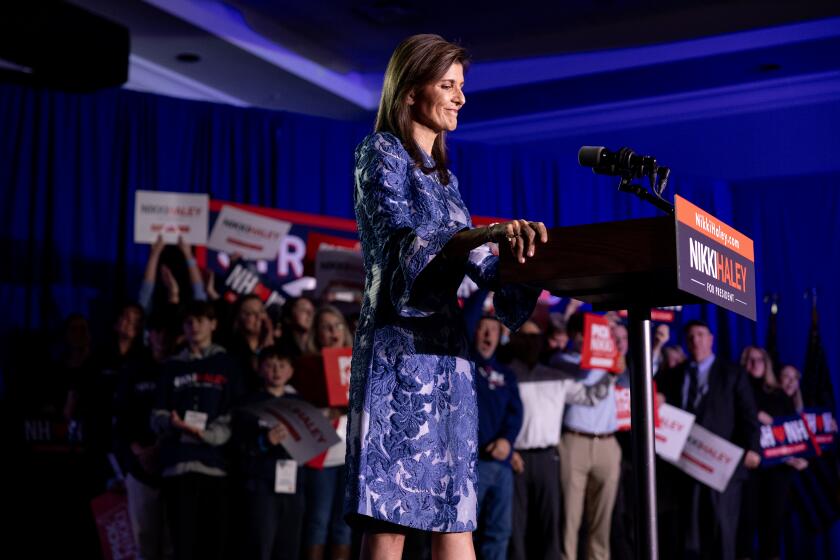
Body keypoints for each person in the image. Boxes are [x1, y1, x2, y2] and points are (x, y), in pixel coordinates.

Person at [345, 33, 548, 560]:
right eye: (448, 85)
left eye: (461, 86)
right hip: (400, 358)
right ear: (410, 92)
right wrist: (484, 234)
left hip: (451, 365)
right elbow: (401, 243)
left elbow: (483, 265)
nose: (461, 97)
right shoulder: (380, 153)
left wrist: (543, 260)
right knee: (390, 520)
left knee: (454, 516)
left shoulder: (446, 181)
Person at [656, 320, 761, 560]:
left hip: (723, 464)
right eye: (691, 336)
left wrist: (753, 448)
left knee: (721, 528)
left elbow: (748, 415)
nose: (696, 341)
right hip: (686, 463)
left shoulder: (732, 373)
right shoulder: (675, 374)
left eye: (701, 335)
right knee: (690, 531)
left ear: (711, 339)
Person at [151, 301, 243, 560]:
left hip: (215, 465)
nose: (194, 326)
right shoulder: (171, 366)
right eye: (189, 322)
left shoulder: (227, 364)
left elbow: (234, 414)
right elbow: (156, 415)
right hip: (177, 465)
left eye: (201, 320)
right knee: (181, 543)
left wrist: (204, 434)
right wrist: (173, 424)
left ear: (213, 324)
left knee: (214, 543)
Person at [233, 347, 304, 560]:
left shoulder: (301, 405)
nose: (276, 370)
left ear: (291, 370)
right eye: (270, 365)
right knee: (259, 546)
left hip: (294, 483)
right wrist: (265, 441)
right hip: (261, 484)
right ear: (260, 368)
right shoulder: (250, 404)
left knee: (289, 547)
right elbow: (239, 445)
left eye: (282, 365)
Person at [736, 346, 806, 560]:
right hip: (749, 468)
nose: (755, 363)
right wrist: (755, 415)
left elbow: (792, 432)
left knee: (772, 526)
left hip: (777, 471)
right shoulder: (735, 391)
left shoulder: (779, 394)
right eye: (750, 359)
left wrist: (799, 455)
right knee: (745, 523)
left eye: (760, 359)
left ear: (767, 364)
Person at [301, 305, 353, 560]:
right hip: (321, 451)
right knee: (317, 521)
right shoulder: (307, 366)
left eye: (337, 325)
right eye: (326, 327)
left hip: (352, 453)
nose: (333, 331)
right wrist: (324, 411)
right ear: (317, 333)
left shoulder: (361, 361)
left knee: (343, 525)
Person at [470, 315, 523, 560]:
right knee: (462, 531)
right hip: (472, 466)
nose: (488, 335)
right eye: (483, 329)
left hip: (501, 464)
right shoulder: (465, 364)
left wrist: (507, 442)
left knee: (499, 532)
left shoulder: (506, 374)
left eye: (493, 330)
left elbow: (516, 413)